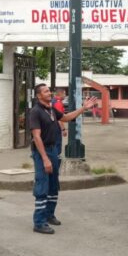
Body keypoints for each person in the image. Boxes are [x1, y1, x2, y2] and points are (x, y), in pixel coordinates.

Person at [28, 83, 97, 234]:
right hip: (42, 152)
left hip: (53, 150)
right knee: (42, 185)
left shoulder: (51, 109)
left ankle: (49, 215)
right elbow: (37, 137)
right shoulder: (36, 112)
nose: (49, 93)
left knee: (53, 184)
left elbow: (66, 117)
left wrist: (83, 108)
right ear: (39, 95)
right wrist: (45, 159)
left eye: (49, 90)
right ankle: (39, 222)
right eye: (45, 91)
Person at [52, 88, 67, 156]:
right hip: (56, 128)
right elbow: (59, 118)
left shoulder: (53, 101)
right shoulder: (58, 103)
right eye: (64, 94)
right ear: (60, 94)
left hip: (52, 127)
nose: (65, 95)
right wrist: (63, 129)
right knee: (57, 147)